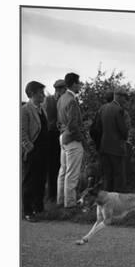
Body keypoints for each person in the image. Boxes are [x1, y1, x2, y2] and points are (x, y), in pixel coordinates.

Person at [91, 86, 131, 192]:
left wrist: (99, 144)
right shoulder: (119, 110)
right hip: (117, 149)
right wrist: (125, 136)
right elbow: (123, 131)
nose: (125, 100)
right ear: (118, 96)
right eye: (124, 97)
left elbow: (96, 129)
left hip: (104, 148)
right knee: (119, 178)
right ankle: (118, 205)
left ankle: (106, 203)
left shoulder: (103, 108)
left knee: (107, 177)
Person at [21, 81, 49, 221]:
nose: (43, 95)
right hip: (33, 150)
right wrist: (28, 146)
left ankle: (39, 208)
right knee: (30, 180)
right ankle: (27, 211)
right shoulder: (25, 110)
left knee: (41, 180)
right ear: (32, 94)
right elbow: (21, 131)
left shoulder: (41, 109)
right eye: (40, 93)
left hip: (43, 150)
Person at [56, 72, 84, 208]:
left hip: (63, 137)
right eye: (79, 83)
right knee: (72, 174)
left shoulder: (61, 98)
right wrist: (81, 138)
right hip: (72, 138)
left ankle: (60, 200)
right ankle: (70, 204)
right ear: (73, 84)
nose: (80, 85)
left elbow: (61, 120)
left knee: (63, 171)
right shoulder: (72, 100)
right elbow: (73, 125)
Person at [44, 79, 67, 200]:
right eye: (62, 89)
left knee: (60, 165)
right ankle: (52, 194)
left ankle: (58, 193)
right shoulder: (49, 100)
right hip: (51, 134)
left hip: (59, 134)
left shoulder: (61, 100)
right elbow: (48, 120)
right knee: (52, 165)